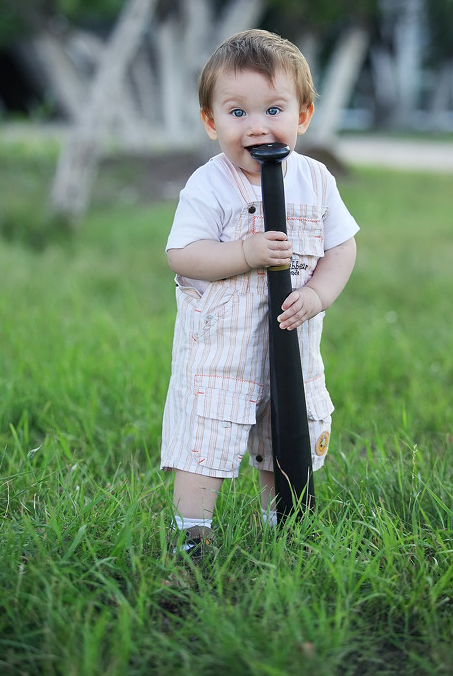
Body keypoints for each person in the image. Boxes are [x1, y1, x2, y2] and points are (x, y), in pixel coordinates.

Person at [161, 29, 359, 556]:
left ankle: (283, 526)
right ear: (211, 122)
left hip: (292, 344)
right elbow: (182, 254)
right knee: (208, 438)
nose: (257, 127)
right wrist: (244, 255)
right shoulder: (210, 184)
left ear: (303, 115)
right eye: (237, 112)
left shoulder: (316, 180)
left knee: (288, 435)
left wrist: (318, 294)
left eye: (274, 109)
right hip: (221, 353)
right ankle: (193, 533)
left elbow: (342, 248)